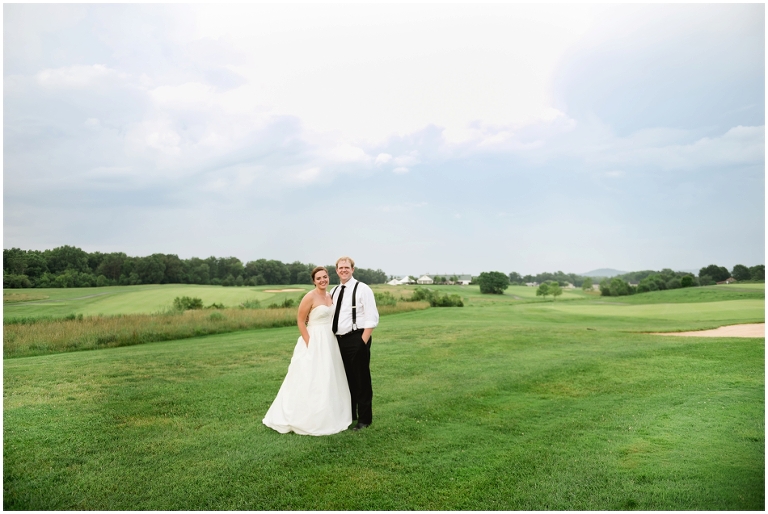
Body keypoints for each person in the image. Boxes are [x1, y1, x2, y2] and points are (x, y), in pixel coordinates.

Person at [262, 266, 352, 436]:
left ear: (328, 278)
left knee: (329, 375)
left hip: (330, 340)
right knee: (311, 376)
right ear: (314, 281)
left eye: (325, 277)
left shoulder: (330, 295)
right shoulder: (309, 297)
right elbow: (301, 321)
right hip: (314, 339)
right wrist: (310, 343)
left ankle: (331, 413)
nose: (322, 280)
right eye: (319, 278)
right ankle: (304, 416)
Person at [330, 256, 379, 431]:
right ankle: (350, 415)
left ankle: (365, 419)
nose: (343, 270)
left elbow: (372, 318)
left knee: (361, 379)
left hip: (357, 338)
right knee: (346, 380)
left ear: (352, 269)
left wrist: (362, 342)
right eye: (340, 267)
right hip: (339, 340)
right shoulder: (334, 290)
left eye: (346, 267)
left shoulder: (362, 289)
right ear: (336, 270)